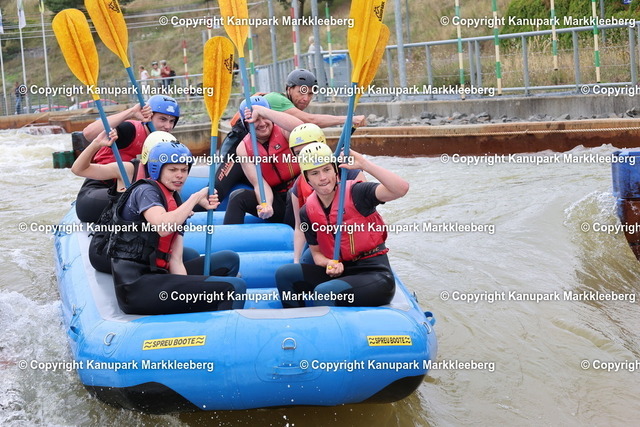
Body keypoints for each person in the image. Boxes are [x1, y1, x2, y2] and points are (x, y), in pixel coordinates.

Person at [108, 141, 246, 314]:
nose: (180, 175)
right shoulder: (145, 191)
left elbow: (176, 260)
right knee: (234, 287)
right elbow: (163, 227)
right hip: (136, 286)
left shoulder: (175, 201)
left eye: (184, 170)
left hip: (160, 275)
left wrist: (189, 291)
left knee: (229, 259)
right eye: (173, 170)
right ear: (157, 170)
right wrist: (195, 198)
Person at [276, 143, 409, 308]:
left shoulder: (357, 192)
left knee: (325, 292)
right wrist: (328, 263)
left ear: (335, 170)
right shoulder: (307, 211)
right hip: (341, 271)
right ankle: (295, 320)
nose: (323, 178)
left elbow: (401, 189)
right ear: (307, 178)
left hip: (374, 274)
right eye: (315, 173)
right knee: (285, 274)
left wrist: (364, 164)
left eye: (326, 170)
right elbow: (316, 254)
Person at [215, 69, 365, 202]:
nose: (306, 98)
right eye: (301, 91)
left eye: (310, 94)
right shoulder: (276, 99)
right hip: (237, 153)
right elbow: (309, 121)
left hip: (263, 157)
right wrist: (348, 119)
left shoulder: (284, 123)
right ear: (289, 89)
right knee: (215, 192)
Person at [72, 130, 178, 273]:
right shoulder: (128, 170)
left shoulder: (172, 178)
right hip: (111, 249)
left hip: (143, 245)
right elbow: (78, 169)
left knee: (189, 255)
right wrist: (96, 144)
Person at [76, 95, 180, 223]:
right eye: (162, 119)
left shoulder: (165, 143)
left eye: (171, 121)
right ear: (149, 116)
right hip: (97, 191)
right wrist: (131, 112)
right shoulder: (129, 130)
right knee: (145, 198)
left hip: (130, 192)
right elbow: (88, 133)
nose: (167, 126)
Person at [287, 123, 365, 263]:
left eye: (309, 147)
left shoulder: (349, 172)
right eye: (299, 153)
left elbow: (369, 213)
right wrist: (296, 260)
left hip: (353, 240)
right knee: (305, 261)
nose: (307, 154)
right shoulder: (299, 185)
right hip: (322, 241)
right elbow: (300, 227)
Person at [223, 97, 303, 226]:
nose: (262, 123)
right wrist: (266, 204)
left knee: (292, 192)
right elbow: (259, 183)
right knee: (238, 197)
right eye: (255, 120)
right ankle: (229, 237)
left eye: (264, 117)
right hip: (276, 198)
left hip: (301, 196)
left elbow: (302, 128)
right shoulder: (243, 149)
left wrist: (261, 110)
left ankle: (293, 234)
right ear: (246, 124)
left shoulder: (284, 131)